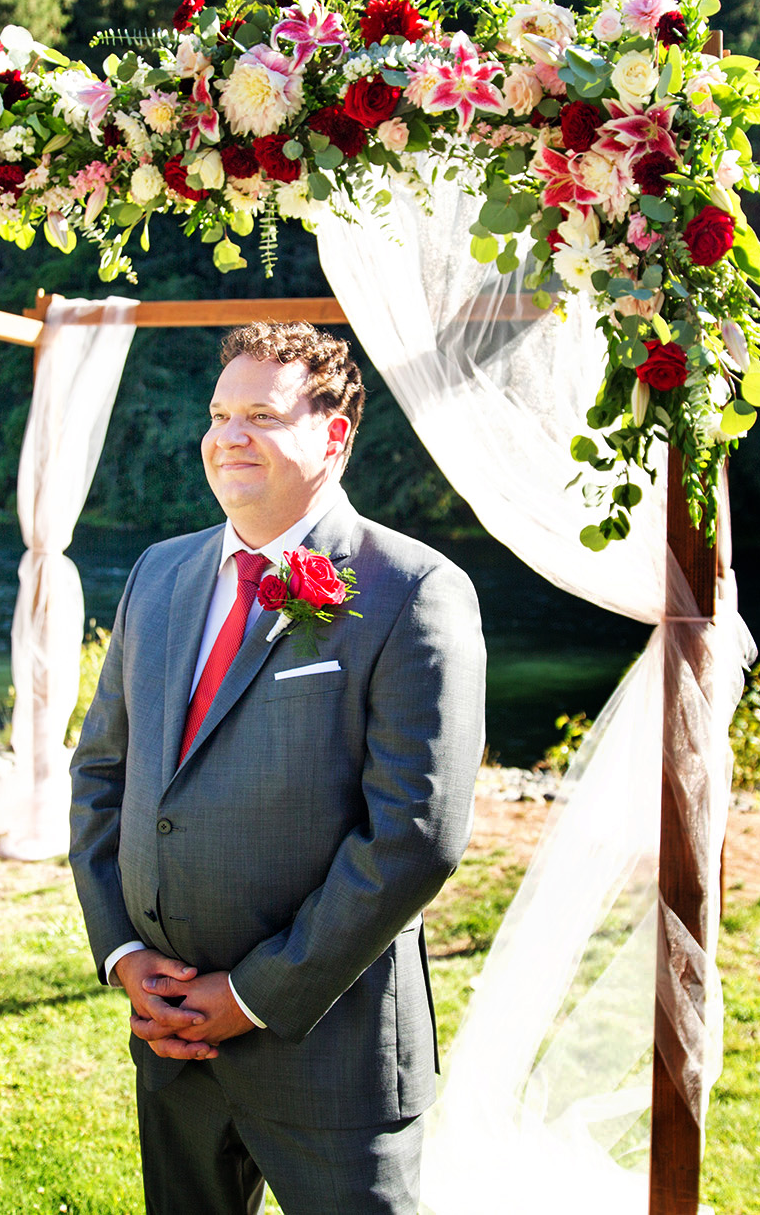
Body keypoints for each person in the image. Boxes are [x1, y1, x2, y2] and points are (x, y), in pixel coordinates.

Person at [69, 322, 486, 1214]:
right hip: (172, 1037)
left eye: (261, 413)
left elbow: (414, 835)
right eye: (220, 413)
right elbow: (103, 774)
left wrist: (252, 995)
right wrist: (125, 953)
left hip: (328, 1057)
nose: (228, 436)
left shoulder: (413, 589)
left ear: (334, 434)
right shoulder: (159, 572)